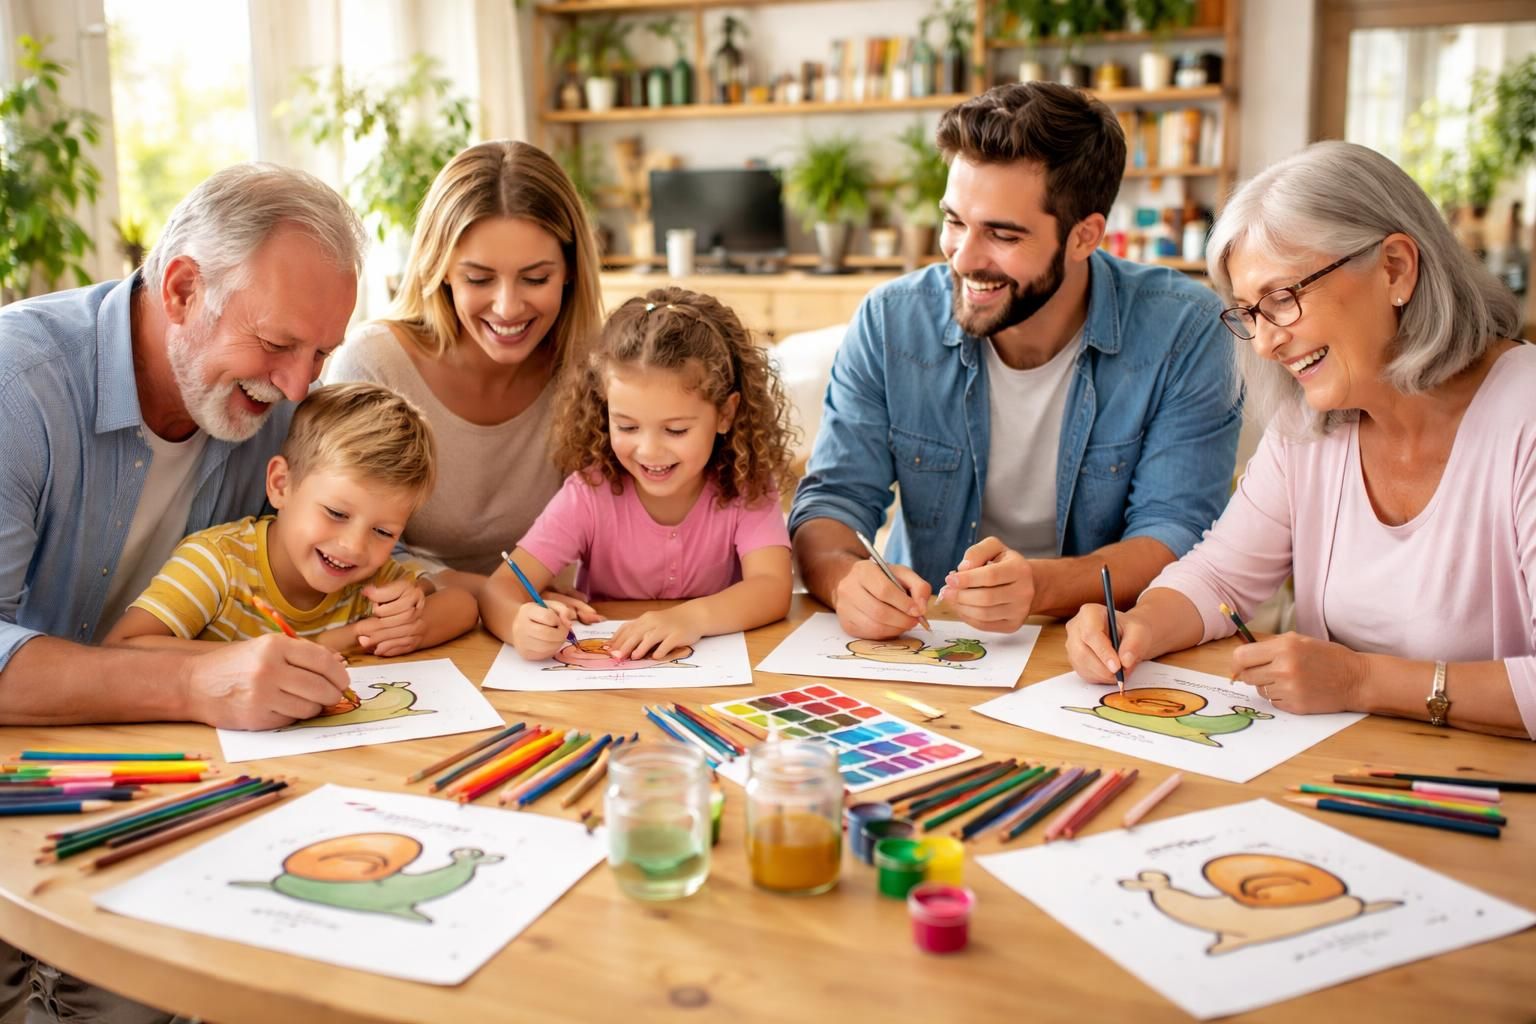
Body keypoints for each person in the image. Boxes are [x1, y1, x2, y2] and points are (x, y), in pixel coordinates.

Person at [0, 165, 364, 1023]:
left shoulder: (270, 418)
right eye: (279, 344)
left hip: (173, 777)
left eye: (322, 353)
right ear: (181, 287)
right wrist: (194, 681)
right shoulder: (19, 389)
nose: (299, 385)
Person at [1065, 141, 1534, 740]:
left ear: (1396, 267)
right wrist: (1135, 625)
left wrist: (1361, 681)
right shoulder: (1313, 424)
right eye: (1249, 312)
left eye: (1283, 298)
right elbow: (1220, 579)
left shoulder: (1524, 417)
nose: (1263, 343)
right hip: (1340, 771)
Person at [790, 82, 1241, 641]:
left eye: (1002, 234)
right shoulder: (890, 321)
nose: (964, 256)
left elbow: (1178, 532)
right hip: (930, 638)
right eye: (954, 221)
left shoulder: (1187, 330)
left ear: (1084, 236)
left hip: (1101, 642)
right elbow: (833, 500)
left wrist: (1042, 587)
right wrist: (843, 580)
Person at [324, 140, 604, 598]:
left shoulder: (591, 365)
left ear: (571, 271)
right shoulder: (376, 364)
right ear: (441, 270)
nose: (508, 306)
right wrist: (497, 598)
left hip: (552, 625)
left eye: (536, 278)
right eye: (479, 279)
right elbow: (338, 536)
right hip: (415, 620)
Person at [480, 287, 796, 661]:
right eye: (627, 427)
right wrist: (521, 623)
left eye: (676, 430)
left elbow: (773, 587)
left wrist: (692, 618)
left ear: (725, 414)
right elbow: (499, 589)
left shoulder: (746, 487)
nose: (649, 451)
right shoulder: (590, 493)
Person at [105, 382, 478, 662]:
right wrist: (334, 643)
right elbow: (123, 648)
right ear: (281, 485)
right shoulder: (217, 564)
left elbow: (463, 605)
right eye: (336, 513)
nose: (353, 546)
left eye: (383, 532)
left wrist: (407, 626)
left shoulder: (372, 580)